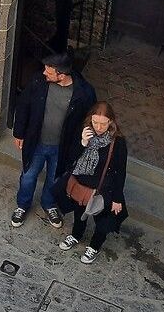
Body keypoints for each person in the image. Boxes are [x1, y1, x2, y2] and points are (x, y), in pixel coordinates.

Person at [10, 52, 96, 228]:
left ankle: (49, 204)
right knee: (28, 176)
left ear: (61, 75)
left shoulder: (84, 93)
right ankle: (23, 204)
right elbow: (24, 105)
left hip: (61, 147)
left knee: (54, 179)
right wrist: (19, 133)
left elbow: (88, 120)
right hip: (37, 142)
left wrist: (82, 144)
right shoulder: (38, 81)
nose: (44, 73)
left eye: (49, 72)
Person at [55, 102, 128, 264]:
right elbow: (71, 158)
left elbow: (120, 171)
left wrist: (117, 197)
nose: (99, 127)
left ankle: (94, 246)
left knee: (102, 221)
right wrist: (82, 143)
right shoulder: (84, 132)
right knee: (79, 213)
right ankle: (76, 235)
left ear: (111, 122)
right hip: (81, 185)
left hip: (102, 189)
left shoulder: (118, 142)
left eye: (103, 123)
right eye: (95, 122)